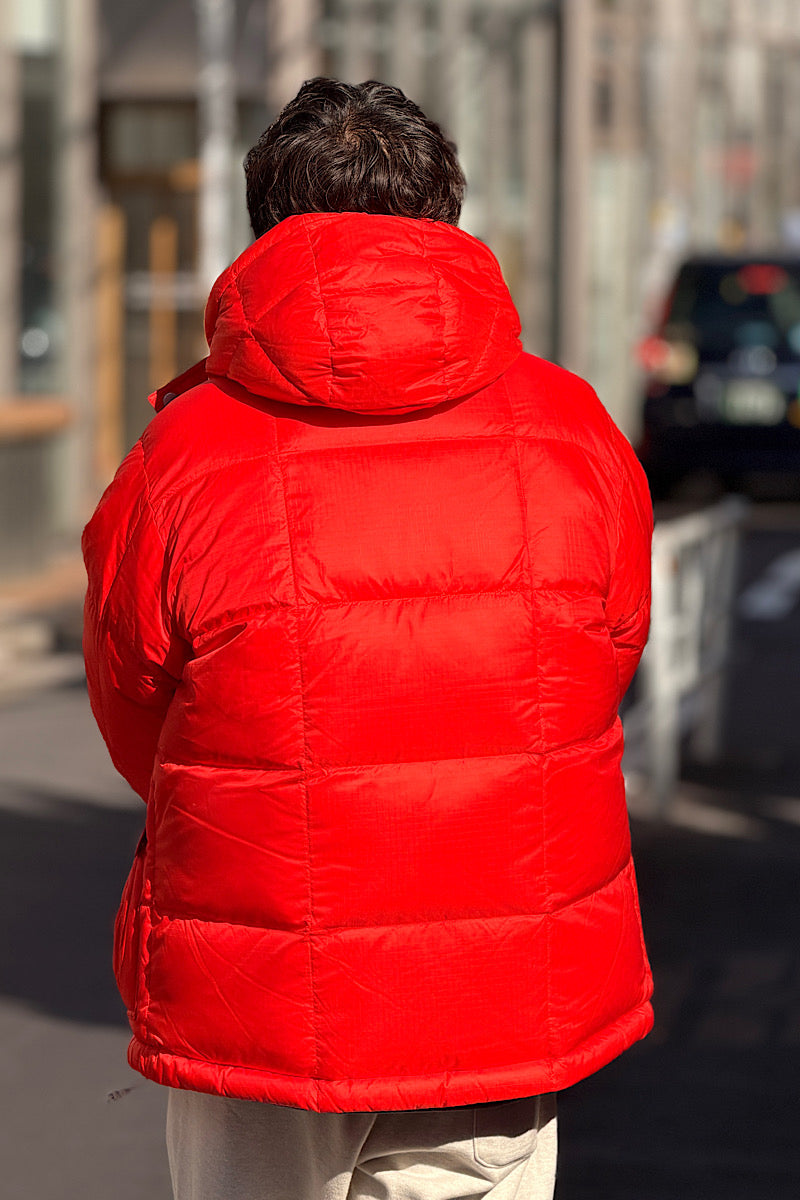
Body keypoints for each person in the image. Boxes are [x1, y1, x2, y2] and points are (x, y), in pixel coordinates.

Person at [83, 78, 654, 1200]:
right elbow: (606, 654)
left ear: (265, 227)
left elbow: (134, 713)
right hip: (497, 979)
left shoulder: (181, 457)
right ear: (443, 214)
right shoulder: (570, 430)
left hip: (257, 989)